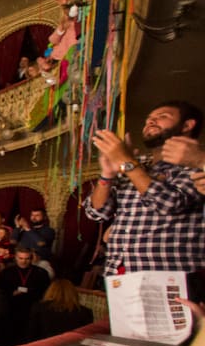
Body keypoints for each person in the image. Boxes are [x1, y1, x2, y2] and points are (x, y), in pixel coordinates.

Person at [86, 100, 204, 276]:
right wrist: (107, 174)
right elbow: (97, 213)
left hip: (169, 275)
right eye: (149, 119)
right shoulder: (138, 164)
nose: (151, 121)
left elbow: (168, 204)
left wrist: (126, 162)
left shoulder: (196, 163)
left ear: (187, 125)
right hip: (120, 272)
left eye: (162, 116)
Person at [25, 278, 95, 341]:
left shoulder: (39, 307)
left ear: (50, 291)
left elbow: (32, 334)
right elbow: (86, 338)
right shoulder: (85, 312)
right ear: (73, 292)